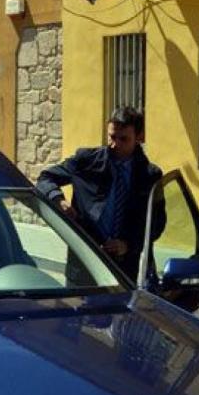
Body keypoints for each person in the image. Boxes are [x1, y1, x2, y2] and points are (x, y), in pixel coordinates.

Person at [36, 107, 163, 281]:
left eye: (123, 139)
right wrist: (58, 200)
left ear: (139, 138)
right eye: (111, 136)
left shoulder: (150, 175)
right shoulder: (87, 161)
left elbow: (157, 223)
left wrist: (127, 245)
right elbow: (46, 178)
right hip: (85, 263)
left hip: (128, 269)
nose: (114, 144)